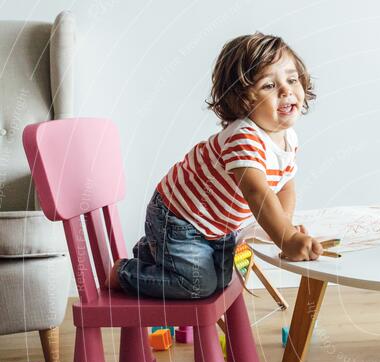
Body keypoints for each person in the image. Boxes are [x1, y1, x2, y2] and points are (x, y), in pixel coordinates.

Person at [109, 33, 322, 299]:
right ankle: (124, 273)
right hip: (180, 217)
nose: (286, 90)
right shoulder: (243, 138)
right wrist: (285, 238)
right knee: (199, 285)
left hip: (218, 225)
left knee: (223, 280)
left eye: (292, 80)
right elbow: (258, 193)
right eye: (269, 85)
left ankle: (154, 253)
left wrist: (285, 226)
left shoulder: (288, 138)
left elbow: (284, 185)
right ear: (242, 99)